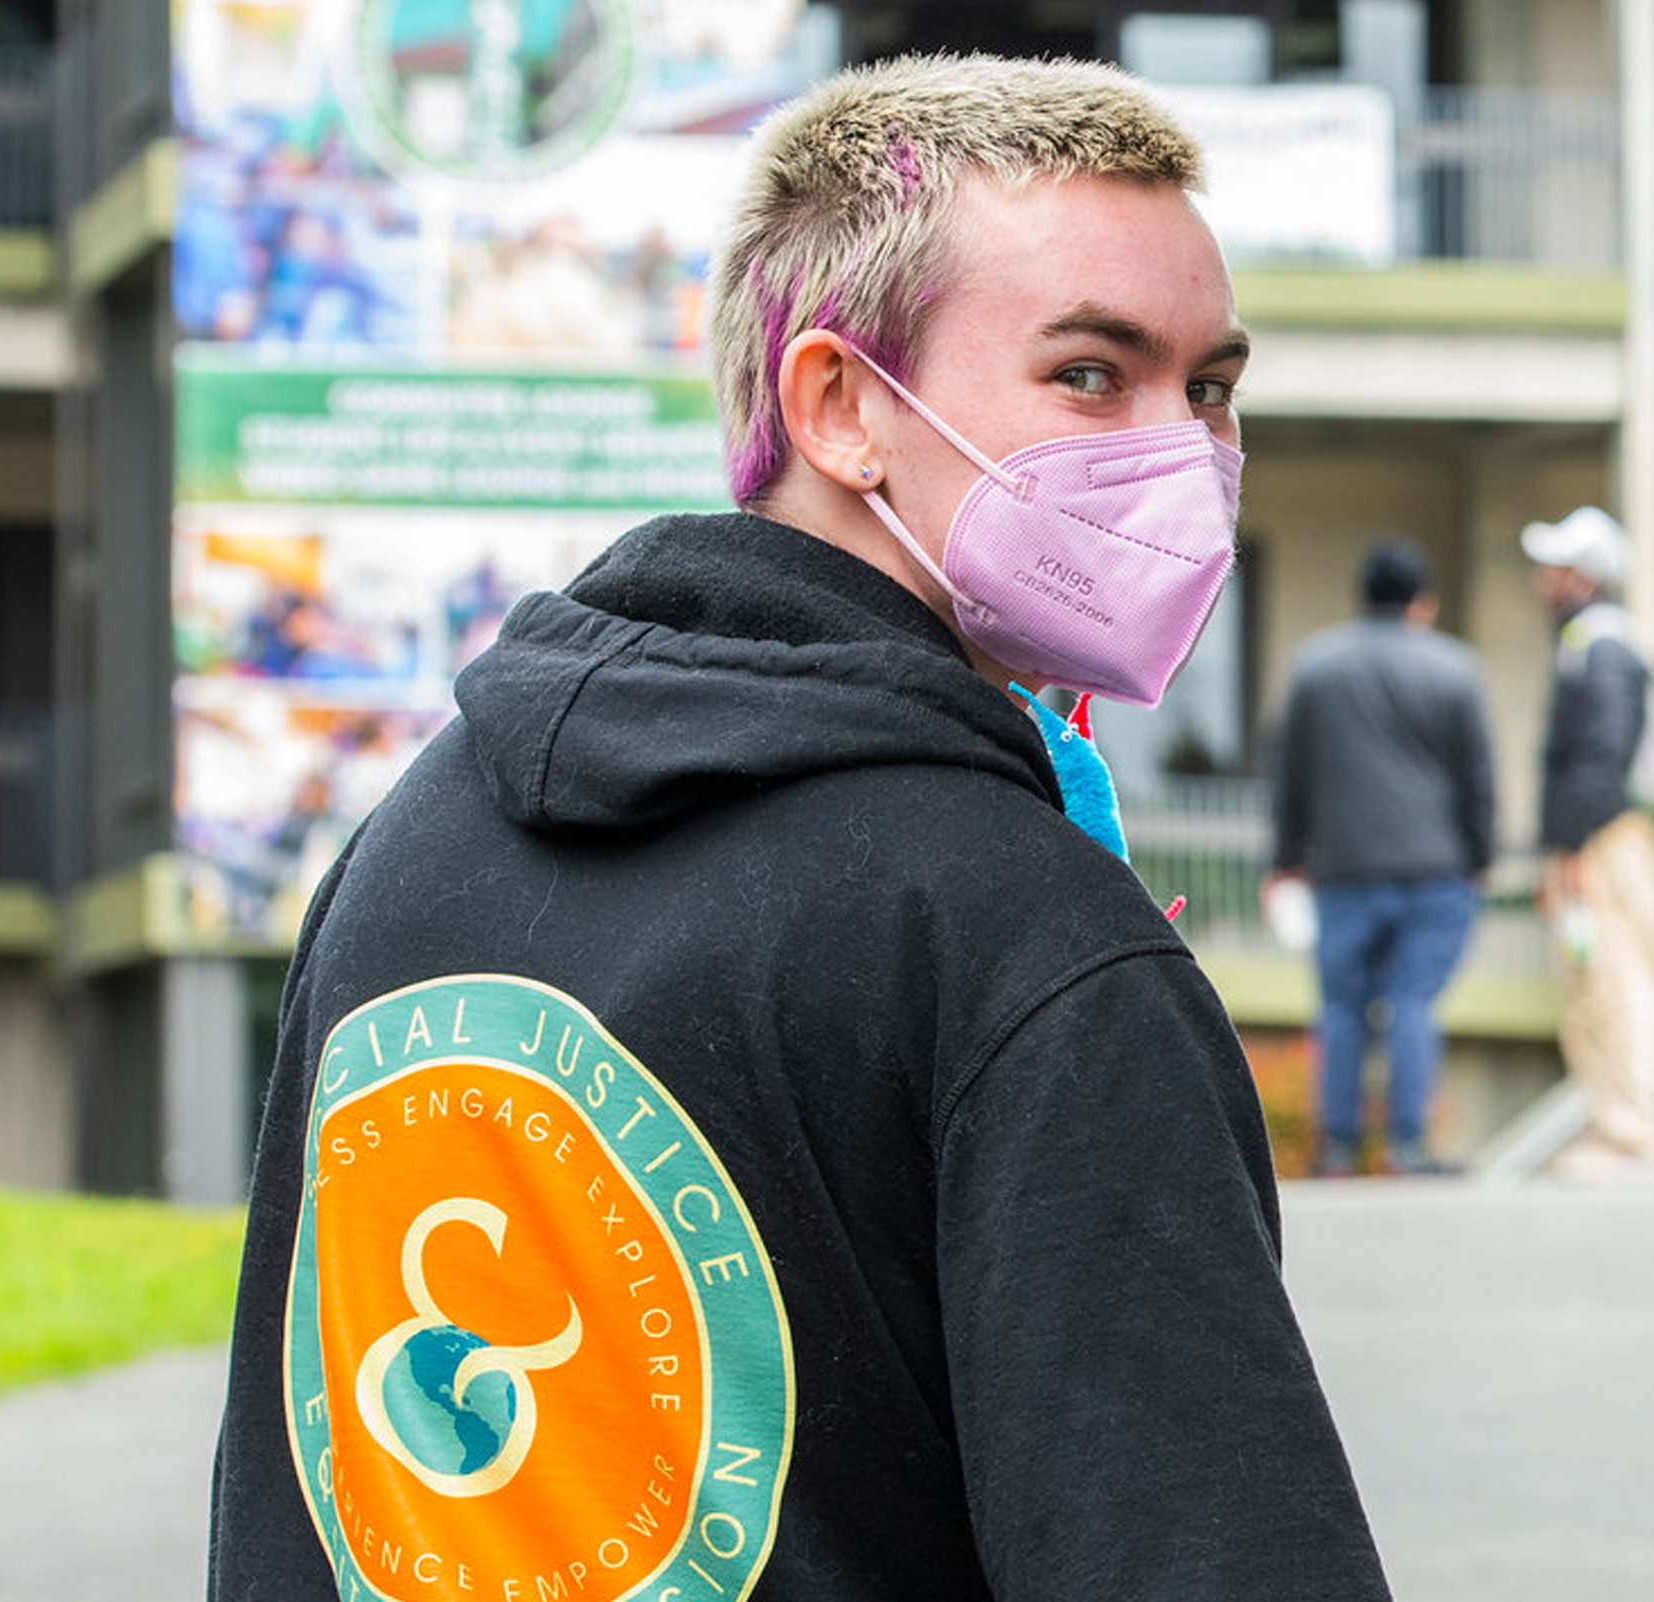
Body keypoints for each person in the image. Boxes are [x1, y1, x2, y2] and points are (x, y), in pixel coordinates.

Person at [206, 56, 1391, 1602]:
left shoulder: (407, 840)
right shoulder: (1026, 943)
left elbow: (297, 1491)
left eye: (1212, 386)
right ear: (839, 406)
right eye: (1094, 375)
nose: (1186, 455)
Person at [1266, 537, 1497, 1177]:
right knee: (1414, 1003)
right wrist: (1481, 856)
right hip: (1435, 870)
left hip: (1341, 870)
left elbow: (1293, 777)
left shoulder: (1315, 667)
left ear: (1364, 597)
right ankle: (1408, 1145)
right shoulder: (1455, 668)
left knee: (1340, 1007)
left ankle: (1336, 1149)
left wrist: (1285, 860)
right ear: (1422, 603)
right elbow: (1477, 778)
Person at [1523, 506, 1654, 1176]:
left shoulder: (1603, 646)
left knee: (1614, 981)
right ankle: (1616, 1124)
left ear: (1581, 577)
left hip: (1605, 840)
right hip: (1597, 839)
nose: (1540, 578)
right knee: (1593, 982)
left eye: (1553, 566)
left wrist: (1572, 848)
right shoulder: (1594, 641)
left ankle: (1630, 1133)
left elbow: (1603, 753)